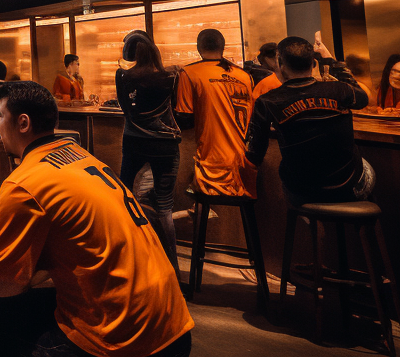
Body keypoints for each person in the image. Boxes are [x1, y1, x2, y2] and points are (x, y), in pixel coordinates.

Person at [0, 81, 193, 357]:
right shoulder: (83, 159)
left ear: (23, 122)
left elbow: (6, 284)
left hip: (117, 350)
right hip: (173, 336)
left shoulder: (26, 181)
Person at [247, 35, 374, 204]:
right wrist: (329, 60)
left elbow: (255, 155)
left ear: (280, 64)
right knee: (364, 163)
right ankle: (364, 227)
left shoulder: (268, 101)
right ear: (313, 63)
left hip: (302, 191)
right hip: (349, 188)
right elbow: (363, 99)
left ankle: (309, 223)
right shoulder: (339, 90)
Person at [115, 31, 182, 280]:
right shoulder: (172, 76)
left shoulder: (123, 76)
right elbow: (178, 109)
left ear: (129, 54)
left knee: (125, 199)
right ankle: (172, 270)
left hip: (133, 142)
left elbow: (125, 108)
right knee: (164, 207)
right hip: (165, 144)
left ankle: (132, 262)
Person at [175, 29, 256, 198]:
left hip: (211, 166)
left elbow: (184, 117)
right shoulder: (245, 76)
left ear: (198, 48)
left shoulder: (189, 73)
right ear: (223, 47)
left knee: (190, 193)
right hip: (242, 165)